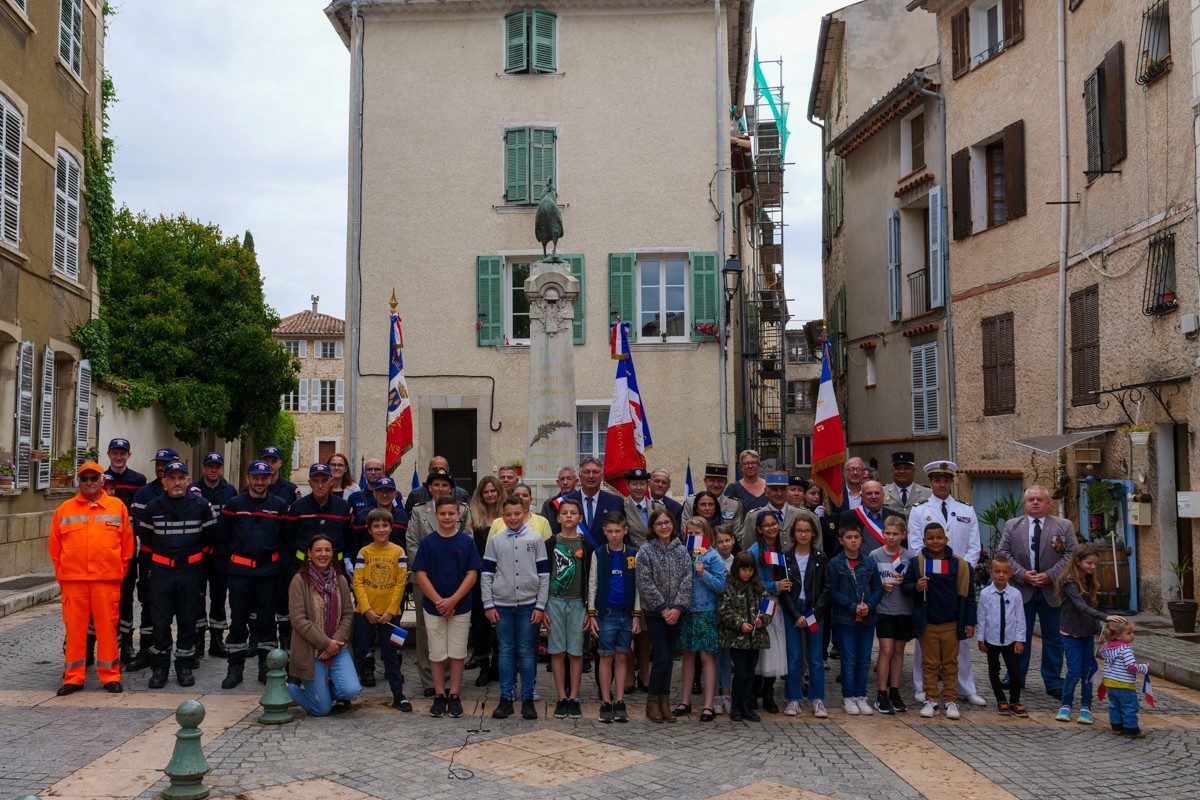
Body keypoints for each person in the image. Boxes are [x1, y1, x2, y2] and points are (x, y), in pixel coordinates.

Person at [48, 461, 134, 695]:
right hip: (74, 582)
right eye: (84, 479)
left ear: (102, 481)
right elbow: (54, 548)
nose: (89, 483)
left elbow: (127, 547)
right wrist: (63, 575)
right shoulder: (65, 510)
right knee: (75, 631)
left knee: (108, 630)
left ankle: (110, 676)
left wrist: (117, 573)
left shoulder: (117, 507)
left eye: (93, 478)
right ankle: (74, 677)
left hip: (106, 582)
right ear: (79, 482)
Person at [906, 460, 985, 705]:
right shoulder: (919, 510)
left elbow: (974, 547)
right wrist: (930, 571)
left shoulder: (966, 510)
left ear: (952, 481)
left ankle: (964, 687)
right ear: (930, 482)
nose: (942, 483)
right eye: (937, 479)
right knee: (925, 636)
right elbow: (916, 545)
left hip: (957, 579)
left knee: (959, 636)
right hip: (929, 579)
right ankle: (922, 686)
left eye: (946, 479)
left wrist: (964, 571)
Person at [140, 461, 217, 689]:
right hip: (161, 573)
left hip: (189, 573)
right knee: (160, 623)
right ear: (163, 482)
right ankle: (160, 668)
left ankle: (184, 665)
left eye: (181, 478)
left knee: (188, 620)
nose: (177, 482)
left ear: (188, 479)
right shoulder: (152, 508)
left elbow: (211, 539)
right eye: (171, 478)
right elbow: (146, 543)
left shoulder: (201, 506)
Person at [996, 484, 1077, 698]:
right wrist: (1022, 574)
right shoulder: (1013, 526)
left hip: (1054, 591)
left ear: (1048, 504)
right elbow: (1002, 552)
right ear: (1024, 504)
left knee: (1054, 638)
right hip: (1023, 589)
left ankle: (1053, 680)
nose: (1035, 503)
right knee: (1019, 636)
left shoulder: (1063, 525)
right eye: (1031, 499)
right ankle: (1016, 675)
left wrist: (1050, 574)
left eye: (1039, 499)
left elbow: (1071, 555)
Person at [219, 460, 289, 689]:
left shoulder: (279, 506)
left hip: (268, 573)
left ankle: (266, 667)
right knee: (238, 621)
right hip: (240, 573)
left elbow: (284, 541)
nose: (260, 482)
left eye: (264, 477)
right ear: (247, 479)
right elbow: (223, 539)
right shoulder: (234, 504)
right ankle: (235, 668)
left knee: (267, 624)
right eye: (255, 478)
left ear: (270, 479)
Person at [411, 496, 482, 718]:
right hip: (434, 608)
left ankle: (454, 694)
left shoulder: (466, 542)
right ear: (435, 515)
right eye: (443, 514)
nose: (447, 517)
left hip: (460, 606)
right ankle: (439, 694)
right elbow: (420, 573)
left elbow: (472, 574)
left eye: (451, 513)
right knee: (437, 652)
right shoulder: (428, 542)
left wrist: (453, 600)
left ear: (459, 515)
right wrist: (439, 601)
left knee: (458, 651)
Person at [482, 497, 550, 720]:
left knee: (527, 651)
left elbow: (543, 575)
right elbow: (487, 574)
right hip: (502, 605)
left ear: (525, 513)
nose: (512, 518)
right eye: (508, 515)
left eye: (517, 514)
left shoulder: (536, 538)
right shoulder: (496, 540)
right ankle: (505, 698)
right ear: (503, 516)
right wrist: (488, 604)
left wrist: (540, 605)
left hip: (528, 605)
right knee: (506, 651)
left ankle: (528, 699)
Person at [902, 522, 976, 720]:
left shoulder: (960, 564)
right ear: (924, 540)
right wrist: (916, 586)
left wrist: (969, 622)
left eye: (939, 537)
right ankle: (931, 699)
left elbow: (969, 596)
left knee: (951, 663)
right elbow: (905, 587)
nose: (935, 541)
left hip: (952, 623)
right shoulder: (918, 562)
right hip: (928, 623)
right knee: (930, 664)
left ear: (946, 539)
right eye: (931, 538)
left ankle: (951, 699)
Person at [407, 467, 470, 697]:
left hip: (455, 581)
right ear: (429, 488)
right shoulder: (419, 512)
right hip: (424, 579)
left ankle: (449, 681)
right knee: (426, 631)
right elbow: (412, 544)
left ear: (450, 488)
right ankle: (429, 682)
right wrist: (428, 574)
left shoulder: (462, 510)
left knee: (454, 631)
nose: (440, 488)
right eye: (436, 485)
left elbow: (467, 541)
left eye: (444, 485)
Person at [287, 534, 362, 716]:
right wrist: (325, 643)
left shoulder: (341, 580)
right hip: (311, 649)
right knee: (321, 709)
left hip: (337, 647)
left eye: (327, 550)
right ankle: (287, 689)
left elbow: (347, 614)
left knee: (351, 691)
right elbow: (299, 619)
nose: (323, 554)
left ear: (332, 553)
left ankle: (322, 692)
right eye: (318, 550)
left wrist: (334, 644)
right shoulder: (299, 580)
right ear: (309, 554)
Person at [1055, 543, 1126, 725]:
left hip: (1086, 634)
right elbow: (1081, 607)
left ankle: (1086, 706)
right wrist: (1106, 617)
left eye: (1095, 564)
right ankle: (1066, 704)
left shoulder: (1089, 580)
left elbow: (1091, 607)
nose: (1093, 567)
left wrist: (1098, 631)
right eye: (1090, 563)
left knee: (1088, 671)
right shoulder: (1069, 581)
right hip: (1070, 633)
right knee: (1074, 670)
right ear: (1078, 561)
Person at [635, 509, 692, 723]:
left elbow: (687, 579)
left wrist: (677, 608)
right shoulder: (647, 550)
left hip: (675, 613)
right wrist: (662, 608)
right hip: (655, 612)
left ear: (673, 524)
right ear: (653, 527)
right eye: (659, 523)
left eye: (667, 522)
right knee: (661, 657)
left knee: (669, 659)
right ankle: (652, 701)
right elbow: (644, 581)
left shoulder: (681, 550)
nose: (664, 526)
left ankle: (664, 701)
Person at [351, 508, 410, 711]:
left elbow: (400, 584)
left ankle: (398, 694)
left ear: (391, 527)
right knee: (359, 653)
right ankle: (345, 695)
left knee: (392, 654)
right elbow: (357, 583)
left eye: (385, 525)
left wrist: (390, 611)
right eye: (376, 526)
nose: (381, 529)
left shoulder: (398, 552)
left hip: (390, 615)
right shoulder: (364, 553)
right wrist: (366, 609)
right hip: (364, 614)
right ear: (369, 529)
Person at [127, 447, 180, 671]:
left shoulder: (186, 492)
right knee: (148, 604)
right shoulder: (143, 494)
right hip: (150, 557)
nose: (161, 467)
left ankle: (184, 652)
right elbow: (138, 526)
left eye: (166, 463)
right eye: (158, 463)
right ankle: (146, 649)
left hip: (178, 560)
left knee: (183, 605)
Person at [587, 512, 641, 723]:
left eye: (618, 531)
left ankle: (620, 700)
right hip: (606, 614)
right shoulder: (599, 554)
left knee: (622, 656)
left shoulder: (632, 554)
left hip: (626, 614)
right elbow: (592, 584)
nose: (614, 535)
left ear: (625, 530)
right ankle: (606, 701)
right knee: (605, 656)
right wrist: (592, 614)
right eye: (609, 531)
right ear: (604, 532)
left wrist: (636, 616)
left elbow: (637, 587)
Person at [673, 517, 726, 722]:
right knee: (687, 655)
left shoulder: (712, 556)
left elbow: (721, 585)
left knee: (706, 656)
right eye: (691, 533)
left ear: (706, 535)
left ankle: (708, 704)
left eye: (698, 533)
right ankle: (685, 701)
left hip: (706, 610)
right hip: (687, 610)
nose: (694, 537)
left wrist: (703, 574)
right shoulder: (683, 554)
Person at [827, 521, 883, 715]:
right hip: (845, 618)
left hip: (867, 617)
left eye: (856, 537)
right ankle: (848, 696)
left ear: (861, 540)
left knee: (864, 658)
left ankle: (861, 695)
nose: (853, 541)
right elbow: (833, 592)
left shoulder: (869, 562)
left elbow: (877, 589)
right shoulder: (835, 563)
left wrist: (869, 605)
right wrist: (852, 606)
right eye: (849, 538)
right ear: (842, 540)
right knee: (849, 658)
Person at [779, 516, 829, 718]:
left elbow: (826, 588)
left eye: (807, 530)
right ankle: (793, 698)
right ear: (793, 534)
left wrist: (814, 613)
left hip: (813, 609)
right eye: (799, 530)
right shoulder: (786, 557)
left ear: (813, 533)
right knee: (794, 656)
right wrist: (795, 614)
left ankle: (817, 698)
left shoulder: (820, 557)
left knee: (815, 657)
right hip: (794, 610)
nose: (803, 534)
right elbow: (782, 590)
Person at [103, 437, 146, 666]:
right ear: (109, 454)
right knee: (102, 602)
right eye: (115, 453)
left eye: (123, 453)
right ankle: (102, 645)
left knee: (126, 599)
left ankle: (127, 644)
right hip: (103, 552)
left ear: (129, 455)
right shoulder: (101, 479)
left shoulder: (138, 480)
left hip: (127, 550)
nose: (119, 457)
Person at [546, 498, 590, 719]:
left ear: (580, 518)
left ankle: (574, 696)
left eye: (574, 513)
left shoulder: (585, 544)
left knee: (575, 651)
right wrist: (543, 606)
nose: (569, 516)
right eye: (565, 513)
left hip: (577, 603)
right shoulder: (550, 543)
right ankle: (561, 696)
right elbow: (543, 576)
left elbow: (591, 579)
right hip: (554, 600)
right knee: (557, 650)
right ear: (558, 517)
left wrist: (590, 610)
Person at [191, 451, 237, 658]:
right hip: (200, 553)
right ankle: (198, 638)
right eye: (210, 466)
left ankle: (217, 640)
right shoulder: (194, 491)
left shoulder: (230, 491)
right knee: (197, 596)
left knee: (218, 596)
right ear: (203, 468)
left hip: (221, 553)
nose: (214, 469)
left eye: (217, 466)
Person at [869, 516, 916, 714]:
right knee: (886, 650)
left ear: (903, 535)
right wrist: (881, 586)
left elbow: (913, 583)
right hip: (884, 609)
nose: (891, 537)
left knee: (898, 651)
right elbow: (869, 581)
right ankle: (881, 693)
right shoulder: (875, 555)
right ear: (882, 533)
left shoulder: (910, 557)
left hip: (904, 609)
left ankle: (894, 691)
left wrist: (906, 581)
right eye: (887, 533)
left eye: (895, 534)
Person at [718, 551, 772, 722]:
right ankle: (736, 706)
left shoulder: (759, 586)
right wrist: (740, 624)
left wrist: (762, 620)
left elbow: (768, 608)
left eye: (750, 570)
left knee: (750, 674)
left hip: (755, 639)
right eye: (743, 570)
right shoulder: (729, 586)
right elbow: (725, 610)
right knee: (741, 673)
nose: (747, 573)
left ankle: (746, 706)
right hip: (737, 640)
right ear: (736, 569)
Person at [746, 509, 790, 713]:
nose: (771, 528)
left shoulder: (782, 549)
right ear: (759, 529)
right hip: (762, 601)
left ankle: (769, 692)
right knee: (761, 646)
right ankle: (754, 692)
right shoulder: (755, 551)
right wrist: (774, 586)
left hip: (778, 604)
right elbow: (751, 580)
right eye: (766, 525)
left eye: (774, 524)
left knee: (773, 647)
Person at [976, 554, 1028, 717]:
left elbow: (1020, 617)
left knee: (1014, 671)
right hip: (991, 639)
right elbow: (981, 616)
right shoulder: (985, 593)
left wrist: (1020, 639)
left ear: (1010, 574)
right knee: (994, 669)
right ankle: (1000, 699)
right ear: (991, 572)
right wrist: (980, 638)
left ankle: (1015, 701)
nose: (1000, 575)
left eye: (1004, 572)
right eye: (997, 571)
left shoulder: (1015, 594)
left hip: (1010, 640)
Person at [467, 475, 506, 685]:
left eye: (493, 491)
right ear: (480, 495)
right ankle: (483, 666)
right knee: (480, 624)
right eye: (486, 492)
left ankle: (497, 666)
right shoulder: (473, 516)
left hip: (504, 576)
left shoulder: (507, 515)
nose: (490, 495)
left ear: (500, 493)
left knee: (500, 622)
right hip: (479, 576)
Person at [287, 464, 354, 577]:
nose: (320, 485)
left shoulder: (343, 507)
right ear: (309, 482)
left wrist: (347, 562)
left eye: (324, 480)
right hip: (303, 568)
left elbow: (349, 538)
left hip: (336, 568)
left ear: (331, 481)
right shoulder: (297, 507)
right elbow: (288, 538)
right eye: (315, 481)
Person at [740, 472, 817, 552]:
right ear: (766, 491)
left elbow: (814, 547)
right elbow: (748, 551)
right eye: (774, 489)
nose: (779, 494)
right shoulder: (753, 517)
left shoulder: (801, 514)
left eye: (783, 489)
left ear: (787, 490)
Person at [1098, 619, 1149, 738]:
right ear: (1117, 635)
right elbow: (1131, 667)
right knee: (1129, 706)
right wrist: (1144, 668)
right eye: (1129, 633)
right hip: (1124, 684)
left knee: (1114, 705)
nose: (1132, 636)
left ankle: (1116, 727)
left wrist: (1100, 644)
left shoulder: (1107, 648)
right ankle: (1131, 730)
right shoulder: (1125, 649)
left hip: (1110, 683)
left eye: (1132, 632)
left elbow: (1101, 653)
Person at [553, 456, 623, 538]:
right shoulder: (565, 501)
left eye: (595, 472)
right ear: (580, 476)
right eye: (586, 472)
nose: (591, 476)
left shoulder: (616, 502)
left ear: (602, 476)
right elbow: (557, 534)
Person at [838, 479, 904, 557]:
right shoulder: (848, 516)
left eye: (877, 493)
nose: (873, 497)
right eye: (869, 493)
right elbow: (840, 547)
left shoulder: (897, 517)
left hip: (891, 565)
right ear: (862, 497)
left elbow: (903, 546)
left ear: (883, 495)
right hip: (861, 566)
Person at [712, 525, 737, 714]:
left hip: (730, 616)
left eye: (727, 540)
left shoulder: (736, 562)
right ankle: (714, 694)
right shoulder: (712, 560)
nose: (724, 544)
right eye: (720, 541)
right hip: (713, 612)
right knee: (714, 656)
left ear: (733, 540)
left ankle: (726, 693)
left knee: (727, 657)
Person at [682, 462, 743, 532]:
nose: (716, 485)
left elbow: (738, 535)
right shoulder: (691, 502)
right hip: (697, 543)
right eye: (712, 481)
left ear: (726, 482)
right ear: (705, 481)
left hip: (726, 542)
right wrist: (708, 542)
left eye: (720, 481)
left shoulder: (734, 505)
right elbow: (686, 532)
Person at [403, 455, 471, 512]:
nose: (438, 471)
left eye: (442, 469)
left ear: (447, 470)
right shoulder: (415, 495)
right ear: (429, 470)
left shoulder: (462, 494)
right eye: (434, 469)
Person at [622, 467, 664, 548]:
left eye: (642, 484)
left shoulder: (658, 507)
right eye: (634, 484)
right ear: (628, 486)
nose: (638, 488)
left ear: (648, 485)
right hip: (633, 557)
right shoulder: (621, 507)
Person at [883, 451, 930, 516]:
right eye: (897, 468)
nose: (902, 471)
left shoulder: (928, 493)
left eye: (906, 468)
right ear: (892, 471)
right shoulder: (882, 492)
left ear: (914, 471)